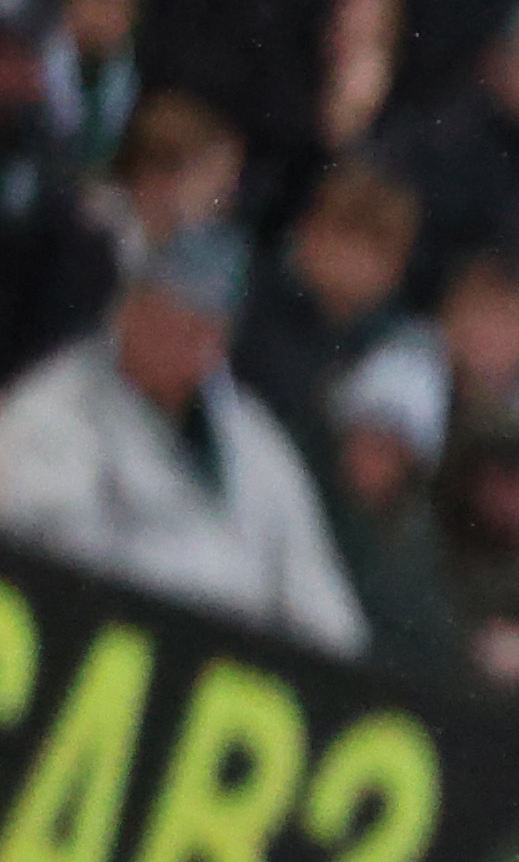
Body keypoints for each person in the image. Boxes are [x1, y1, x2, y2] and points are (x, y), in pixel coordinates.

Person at [0, 222, 361, 652]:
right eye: (168, 317)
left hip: (232, 664)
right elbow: (43, 562)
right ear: (129, 310)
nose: (183, 343)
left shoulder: (254, 442)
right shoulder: (55, 407)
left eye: (201, 328)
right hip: (110, 646)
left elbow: (325, 609)